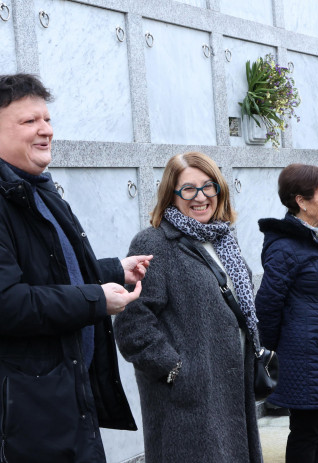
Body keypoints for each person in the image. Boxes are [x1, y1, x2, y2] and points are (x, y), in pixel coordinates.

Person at [0, 73, 150, 462]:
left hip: (50, 410)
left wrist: (111, 271)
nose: (45, 130)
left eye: (47, 119)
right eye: (29, 122)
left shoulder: (30, 187)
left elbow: (46, 271)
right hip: (9, 430)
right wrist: (95, 299)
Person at [113, 151, 263, 463]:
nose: (201, 197)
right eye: (189, 189)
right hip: (187, 402)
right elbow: (132, 325)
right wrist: (176, 370)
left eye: (209, 187)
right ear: (172, 194)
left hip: (231, 389)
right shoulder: (154, 243)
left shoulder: (223, 240)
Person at [255, 164, 318, 463]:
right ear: (301, 201)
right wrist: (269, 352)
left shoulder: (314, 238)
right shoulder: (286, 246)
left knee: (317, 430)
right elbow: (269, 303)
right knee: (306, 432)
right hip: (303, 358)